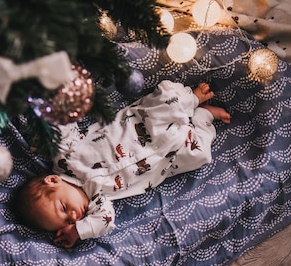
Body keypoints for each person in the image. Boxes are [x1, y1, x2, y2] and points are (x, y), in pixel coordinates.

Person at [15, 80, 231, 248]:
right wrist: (78, 231)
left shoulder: (66, 158)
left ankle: (191, 100)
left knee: (165, 101)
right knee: (200, 155)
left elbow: (60, 127)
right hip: (168, 155)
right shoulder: (98, 200)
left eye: (63, 208)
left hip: (145, 124)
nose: (72, 216)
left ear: (53, 180)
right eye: (65, 222)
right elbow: (105, 221)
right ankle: (203, 118)